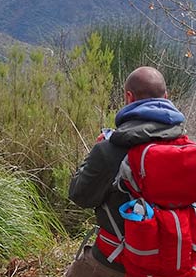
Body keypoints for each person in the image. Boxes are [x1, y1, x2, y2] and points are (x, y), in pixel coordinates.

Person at [64, 66, 187, 277]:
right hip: (173, 258)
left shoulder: (110, 149)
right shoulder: (185, 147)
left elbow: (80, 195)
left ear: (128, 97)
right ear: (166, 97)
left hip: (115, 260)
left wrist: (94, 156)